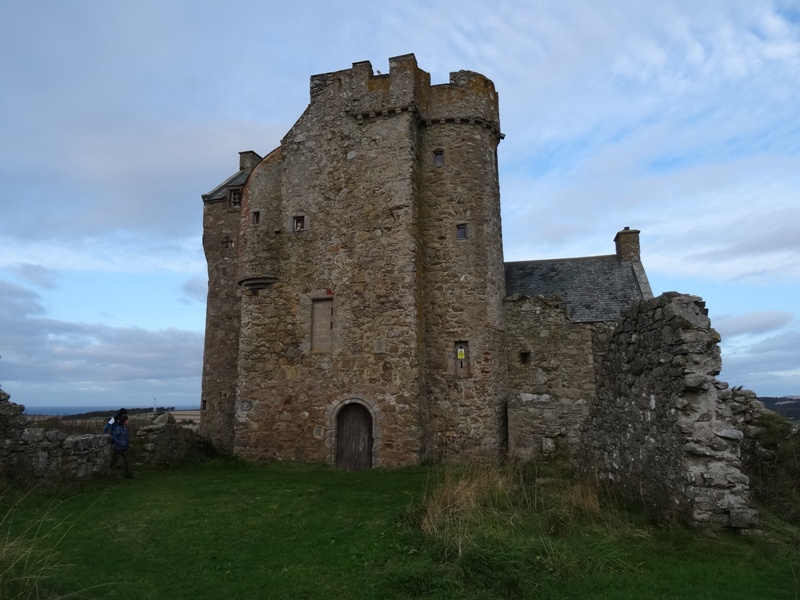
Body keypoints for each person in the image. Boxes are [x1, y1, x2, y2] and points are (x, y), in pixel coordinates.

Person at [109, 414, 133, 479]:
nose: (128, 421)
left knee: (128, 462)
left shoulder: (126, 428)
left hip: (125, 448)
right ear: (123, 421)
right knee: (114, 462)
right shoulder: (118, 428)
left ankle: (128, 475)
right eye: (127, 420)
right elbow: (114, 437)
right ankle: (110, 476)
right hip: (118, 449)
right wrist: (120, 443)